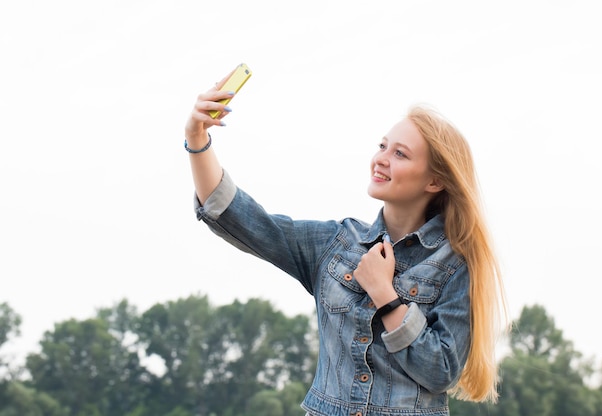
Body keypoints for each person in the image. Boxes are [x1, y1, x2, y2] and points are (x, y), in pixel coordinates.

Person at [184, 69, 507, 416]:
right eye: (383, 146)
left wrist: (385, 295)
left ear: (434, 181)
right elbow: (240, 218)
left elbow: (441, 370)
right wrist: (196, 138)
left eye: (400, 154)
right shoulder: (336, 246)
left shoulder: (456, 263)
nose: (381, 158)